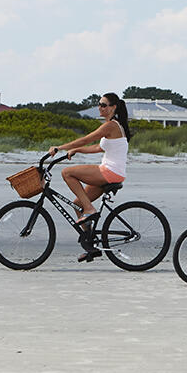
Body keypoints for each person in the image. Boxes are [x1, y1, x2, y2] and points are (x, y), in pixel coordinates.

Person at [47, 92, 133, 262]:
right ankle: (91, 245)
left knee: (67, 172)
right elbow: (98, 148)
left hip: (110, 171)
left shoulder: (111, 125)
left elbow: (87, 139)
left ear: (113, 108)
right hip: (111, 171)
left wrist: (59, 148)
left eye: (104, 105)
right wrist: (77, 150)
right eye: (99, 104)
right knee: (78, 204)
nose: (100, 108)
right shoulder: (113, 126)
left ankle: (90, 210)